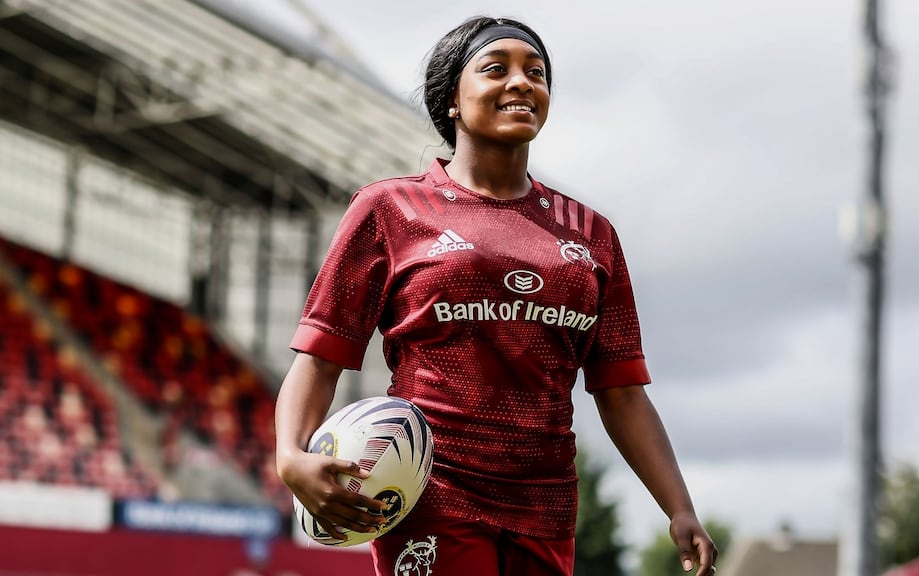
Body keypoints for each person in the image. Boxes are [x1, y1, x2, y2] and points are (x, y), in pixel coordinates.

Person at [275, 15, 718, 576]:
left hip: (547, 505)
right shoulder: (390, 210)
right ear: (452, 99)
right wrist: (290, 455)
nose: (521, 82)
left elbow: (623, 393)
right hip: (430, 494)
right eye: (495, 69)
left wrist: (678, 508)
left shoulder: (591, 235)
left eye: (537, 73)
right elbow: (321, 355)